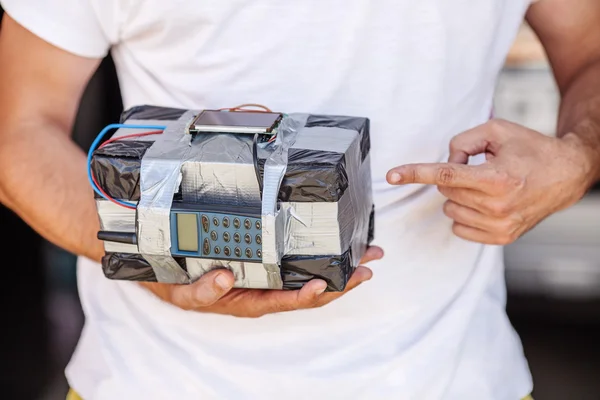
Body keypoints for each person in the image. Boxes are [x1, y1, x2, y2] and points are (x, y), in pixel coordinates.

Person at [0, 0, 599, 398]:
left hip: (454, 376)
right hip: (154, 379)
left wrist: (575, 160)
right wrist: (154, 256)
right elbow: (16, 133)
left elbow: (591, 54)